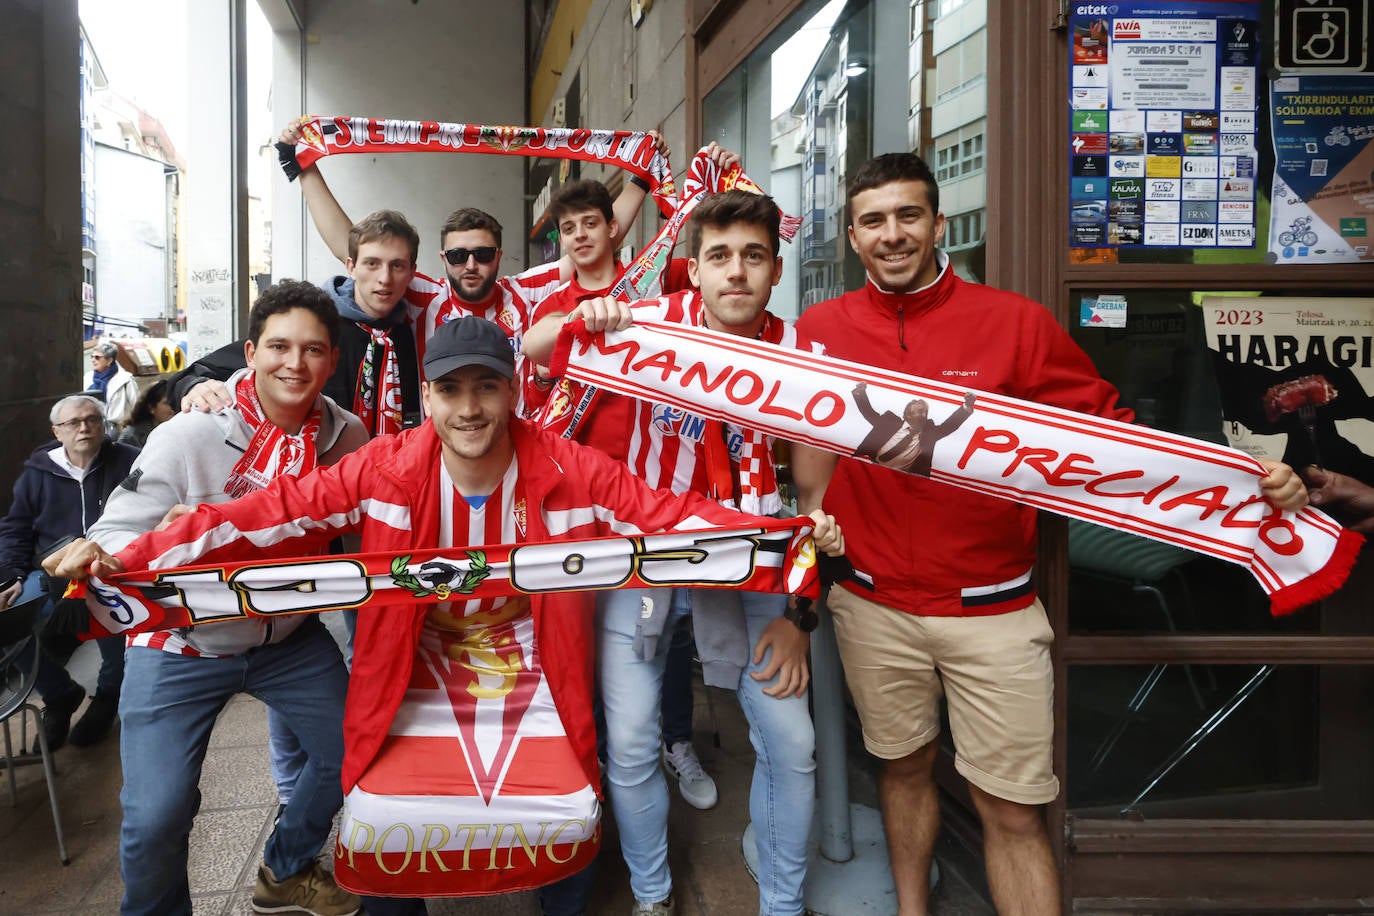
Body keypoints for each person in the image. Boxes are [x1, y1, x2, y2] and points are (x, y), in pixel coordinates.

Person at [46, 315, 843, 916]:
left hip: (532, 646)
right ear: (427, 397)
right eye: (452, 389)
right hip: (418, 650)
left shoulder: (566, 461)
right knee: (379, 807)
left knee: (571, 796)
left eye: (487, 386)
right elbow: (270, 510)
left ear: (514, 390)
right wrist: (133, 551)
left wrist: (790, 537)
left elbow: (666, 512)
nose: (470, 408)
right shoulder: (389, 460)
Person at [792, 152, 1308, 916]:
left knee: (1010, 810)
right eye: (874, 220)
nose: (893, 234)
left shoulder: (1015, 324)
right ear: (853, 237)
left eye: (908, 216)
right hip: (873, 606)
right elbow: (792, 438)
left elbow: (1113, 438)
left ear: (938, 224)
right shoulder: (820, 329)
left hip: (994, 614)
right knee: (902, 774)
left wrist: (1242, 477)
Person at [527, 189, 840, 916]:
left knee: (794, 746)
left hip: (756, 554)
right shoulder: (646, 321)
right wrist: (586, 314)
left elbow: (814, 506)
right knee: (633, 739)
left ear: (776, 268)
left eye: (753, 257)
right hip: (649, 552)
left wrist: (801, 614)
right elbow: (534, 348)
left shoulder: (804, 355)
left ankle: (783, 905)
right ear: (692, 270)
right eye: (719, 256)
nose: (737, 273)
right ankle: (651, 896)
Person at [52, 281, 369, 915]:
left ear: (333, 361)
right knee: (157, 816)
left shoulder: (347, 436)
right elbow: (117, 529)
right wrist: (103, 550)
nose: (295, 364)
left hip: (288, 637)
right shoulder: (191, 432)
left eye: (312, 350)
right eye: (279, 346)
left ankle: (285, 868)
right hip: (179, 641)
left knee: (356, 751)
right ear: (250, 352)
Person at [277, 117, 668, 411]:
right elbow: (354, 246)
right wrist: (304, 167)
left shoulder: (525, 291)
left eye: (482, 254)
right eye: (458, 256)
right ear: (442, 260)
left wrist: (642, 177)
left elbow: (594, 241)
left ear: (499, 257)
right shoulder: (425, 296)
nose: (470, 265)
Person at [0, 395, 139, 750]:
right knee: (7, 619)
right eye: (73, 423)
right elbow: (16, 528)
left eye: (92, 419)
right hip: (52, 571)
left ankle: (108, 694)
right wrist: (12, 575)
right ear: (56, 431)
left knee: (118, 618)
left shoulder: (128, 461)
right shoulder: (38, 472)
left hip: (108, 568)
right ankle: (59, 693)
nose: (84, 428)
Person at [851, 382, 976, 477]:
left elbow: (949, 425)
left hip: (903, 481)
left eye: (925, 413)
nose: (922, 416)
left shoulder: (929, 434)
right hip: (871, 470)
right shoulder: (888, 423)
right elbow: (869, 413)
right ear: (907, 415)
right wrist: (860, 392)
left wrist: (967, 406)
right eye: (919, 412)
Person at [84, 340, 140, 432]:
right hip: (92, 427)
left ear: (109, 360)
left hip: (117, 429)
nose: (93, 360)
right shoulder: (88, 377)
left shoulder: (125, 379)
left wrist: (128, 425)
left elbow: (137, 405)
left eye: (97, 357)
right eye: (92, 357)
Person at [118, 380, 175, 448]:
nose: (172, 407)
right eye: (166, 403)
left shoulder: (178, 429)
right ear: (151, 408)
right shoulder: (131, 436)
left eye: (174, 401)